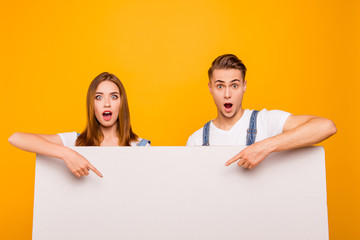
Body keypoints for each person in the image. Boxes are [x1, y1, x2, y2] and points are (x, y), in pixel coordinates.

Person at [186, 54, 336, 169]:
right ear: (210, 88)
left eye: (234, 85)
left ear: (244, 86)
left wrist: (264, 147)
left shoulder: (265, 121)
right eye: (220, 86)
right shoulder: (196, 140)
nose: (227, 94)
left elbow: (326, 127)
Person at [8, 72, 150, 177]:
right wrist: (66, 153)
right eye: (98, 97)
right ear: (91, 105)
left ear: (122, 103)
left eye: (114, 96)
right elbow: (15, 138)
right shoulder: (75, 141)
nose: (107, 103)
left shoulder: (140, 146)